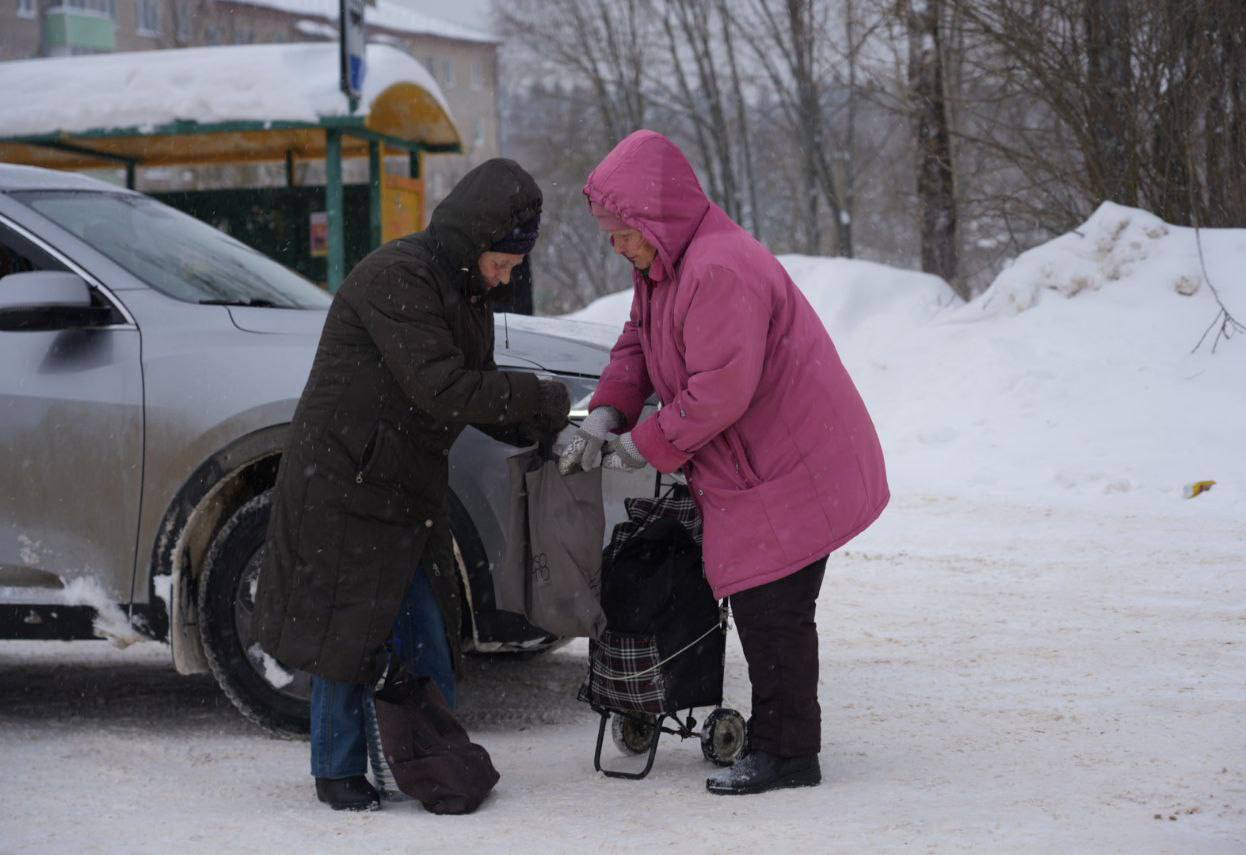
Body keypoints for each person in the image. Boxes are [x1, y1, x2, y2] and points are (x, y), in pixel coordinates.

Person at [560, 130, 889, 796]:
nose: (616, 246)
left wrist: (641, 444)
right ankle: (782, 741)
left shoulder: (718, 267)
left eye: (622, 232)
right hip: (755, 465)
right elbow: (636, 347)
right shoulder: (663, 266)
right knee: (763, 600)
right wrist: (606, 412)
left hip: (795, 462)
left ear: (653, 219)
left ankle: (789, 752)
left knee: (773, 606)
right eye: (610, 234)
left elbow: (720, 392)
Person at [251, 158, 569, 812]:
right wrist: (534, 395)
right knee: (348, 634)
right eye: (503, 262)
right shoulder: (398, 278)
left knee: (429, 629)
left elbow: (469, 394)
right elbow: (444, 387)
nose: (508, 276)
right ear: (475, 241)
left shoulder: (466, 295)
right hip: (347, 480)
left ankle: (430, 756)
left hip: (403, 482)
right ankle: (336, 772)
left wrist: (539, 427)